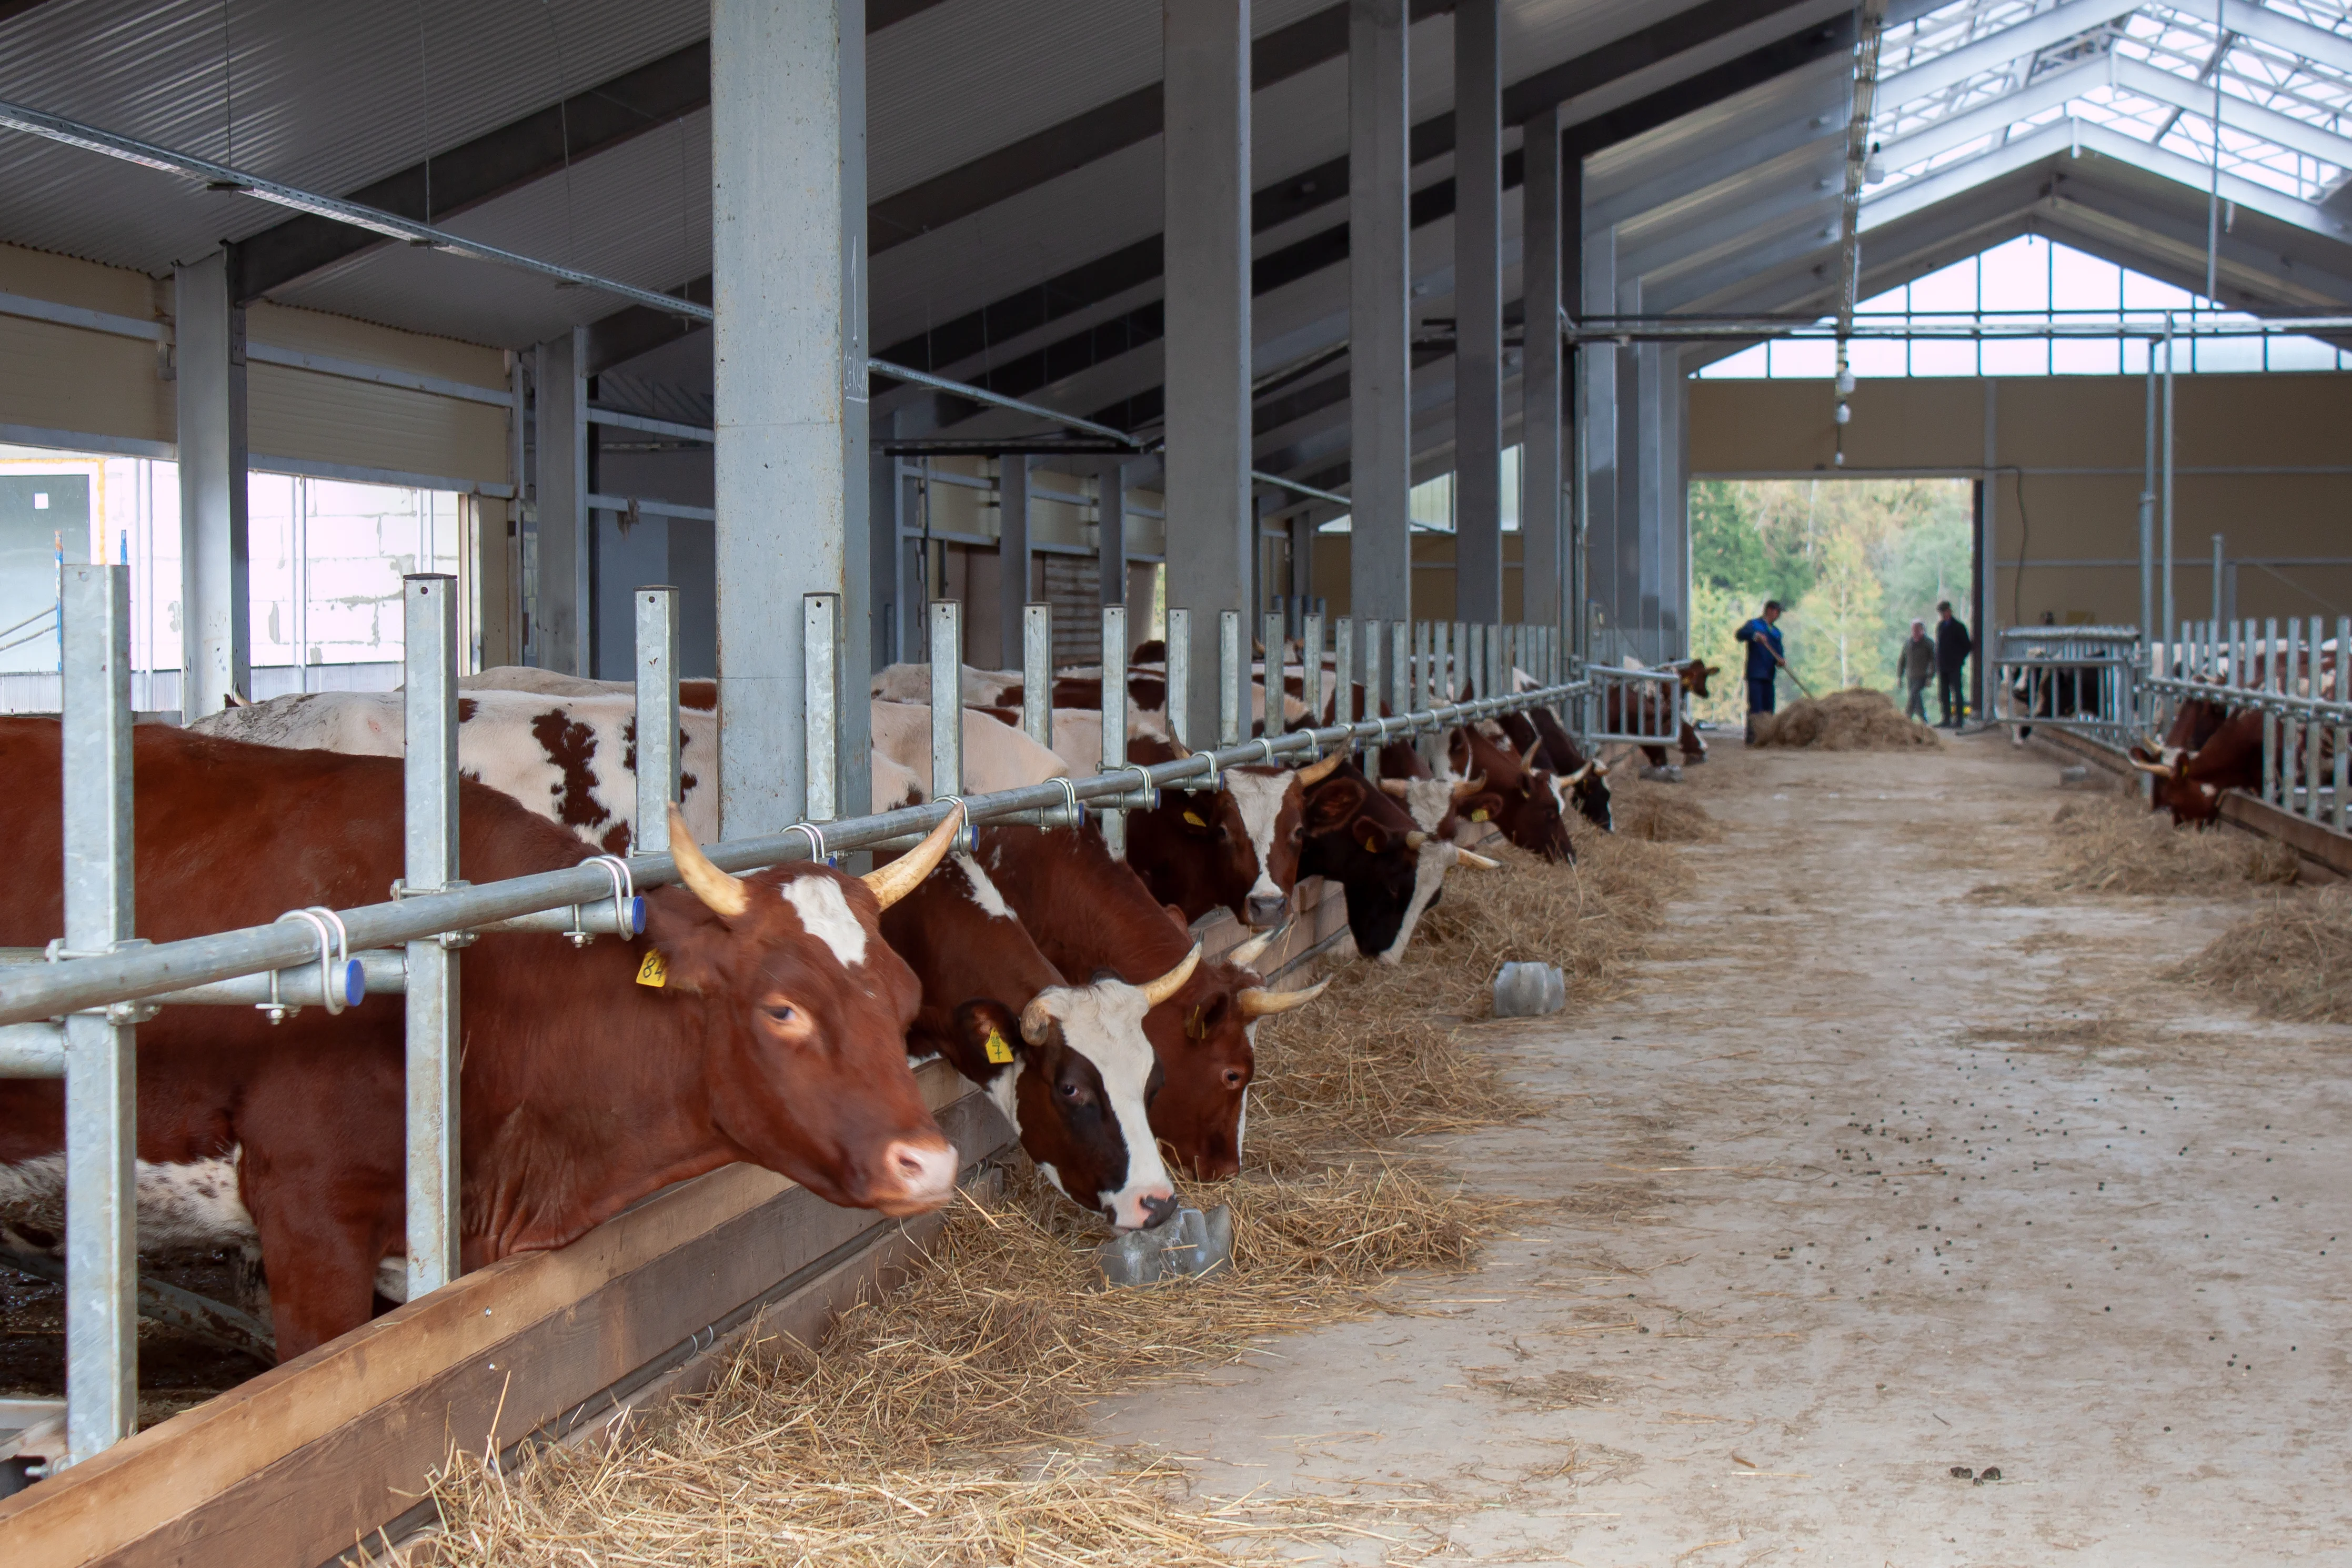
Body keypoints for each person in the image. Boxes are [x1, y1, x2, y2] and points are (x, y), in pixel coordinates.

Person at [1734, 600, 1785, 742]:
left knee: (1769, 707)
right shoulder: (1754, 625)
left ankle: (1766, 737)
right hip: (1756, 674)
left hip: (1769, 675)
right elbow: (1739, 635)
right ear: (1769, 610)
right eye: (1777, 612)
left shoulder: (1776, 632)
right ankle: (1753, 737)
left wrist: (1781, 660)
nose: (1778, 615)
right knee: (1756, 707)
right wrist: (1754, 636)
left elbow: (1778, 652)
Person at [1935, 600, 1974, 728]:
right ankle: (1946, 718)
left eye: (1944, 612)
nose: (1943, 615)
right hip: (1943, 665)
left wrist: (1959, 659)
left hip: (1954, 665)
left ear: (1949, 611)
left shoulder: (1959, 627)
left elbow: (1967, 646)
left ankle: (1959, 720)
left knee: (1957, 692)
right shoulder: (1940, 626)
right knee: (1944, 693)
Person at [1897, 618, 1934, 721]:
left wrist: (1930, 677)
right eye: (1913, 630)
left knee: (1913, 695)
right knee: (1916, 698)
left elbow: (1933, 661)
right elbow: (1902, 660)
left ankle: (1907, 716)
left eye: (1917, 630)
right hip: (1911, 676)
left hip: (1922, 676)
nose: (1915, 632)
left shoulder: (1928, 644)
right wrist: (1899, 676)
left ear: (1922, 630)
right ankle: (1923, 718)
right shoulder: (1908, 644)